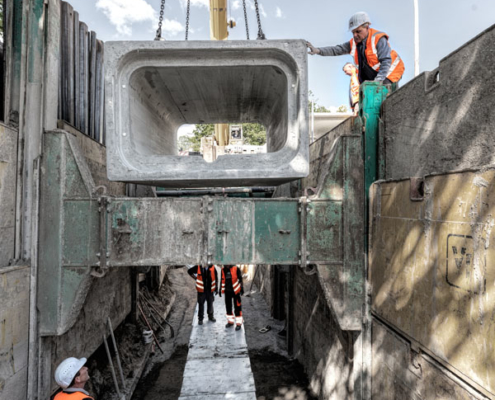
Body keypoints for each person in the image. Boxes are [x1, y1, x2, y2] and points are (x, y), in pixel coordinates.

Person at [307, 12, 405, 85]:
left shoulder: (378, 39)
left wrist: (377, 82)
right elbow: (336, 50)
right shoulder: (353, 43)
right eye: (353, 32)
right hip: (376, 73)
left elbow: (386, 61)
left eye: (358, 31)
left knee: (382, 94)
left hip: (391, 71)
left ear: (367, 27)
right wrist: (318, 51)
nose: (355, 35)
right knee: (368, 92)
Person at [219, 264, 244, 331]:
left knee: (237, 307)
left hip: (235, 291)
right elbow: (222, 279)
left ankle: (238, 324)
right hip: (227, 291)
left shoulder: (236, 268)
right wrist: (220, 289)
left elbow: (240, 279)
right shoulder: (223, 270)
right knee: (228, 307)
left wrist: (241, 288)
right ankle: (230, 322)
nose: (227, 265)